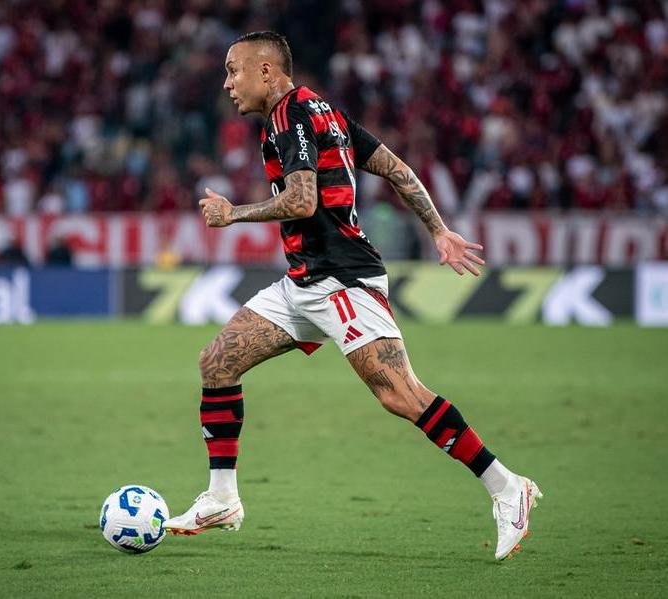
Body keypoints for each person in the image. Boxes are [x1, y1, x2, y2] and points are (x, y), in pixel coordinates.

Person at [163, 32, 542, 561]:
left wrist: (233, 214)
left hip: (343, 281)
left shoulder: (291, 116)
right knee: (218, 362)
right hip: (303, 282)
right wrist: (438, 229)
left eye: (234, 70)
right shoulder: (325, 111)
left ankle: (507, 487)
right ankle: (222, 498)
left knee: (401, 396)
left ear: (267, 71)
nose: (227, 83)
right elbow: (397, 169)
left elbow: (301, 201)